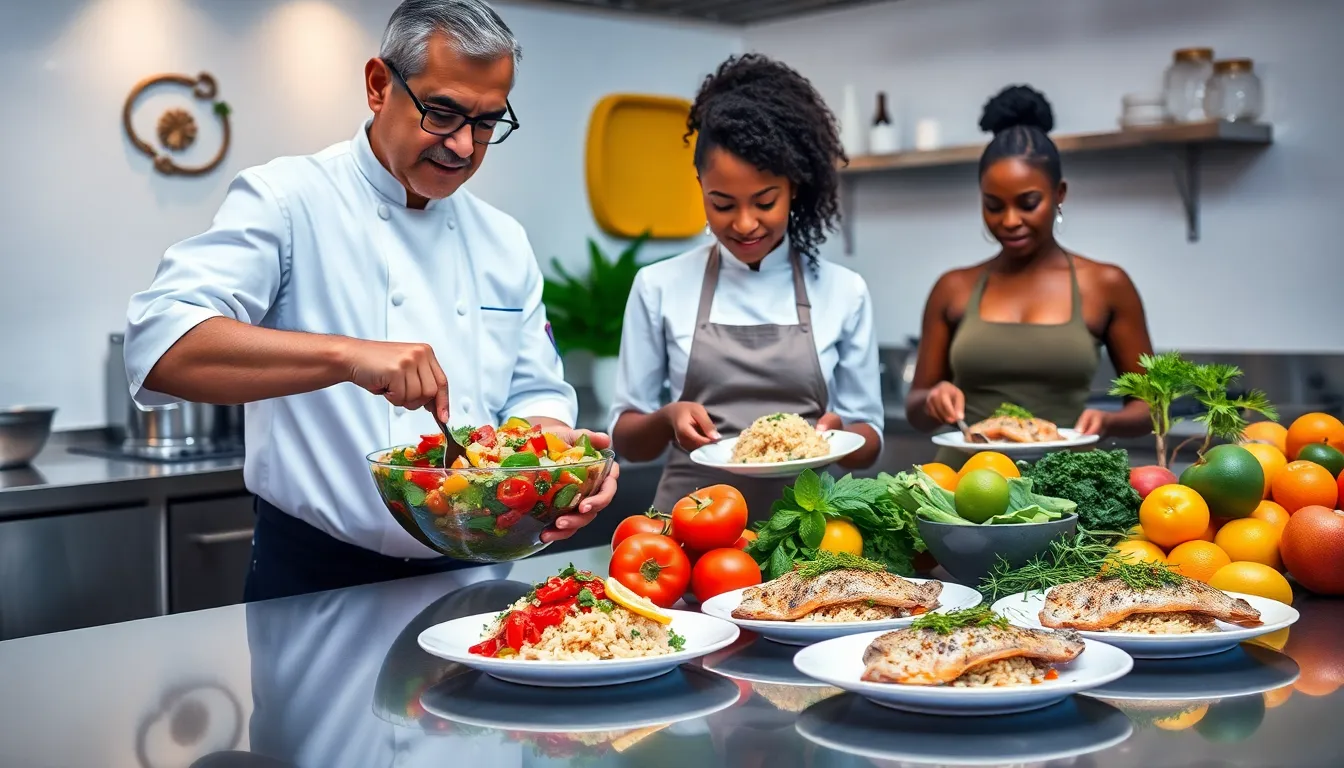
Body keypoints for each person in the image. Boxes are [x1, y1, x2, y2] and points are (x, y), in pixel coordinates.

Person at [123, 0, 617, 601]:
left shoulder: (503, 238)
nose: (463, 146)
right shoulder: (287, 199)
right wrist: (348, 356)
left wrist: (553, 460)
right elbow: (159, 345)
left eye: (486, 123)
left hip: (475, 577)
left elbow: (532, 390)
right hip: (315, 580)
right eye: (442, 113)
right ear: (379, 86)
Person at [610, 54, 883, 520]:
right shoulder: (659, 285)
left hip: (810, 535)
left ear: (794, 187)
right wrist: (666, 419)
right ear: (700, 187)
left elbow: (870, 439)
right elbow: (626, 439)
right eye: (722, 204)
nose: (745, 223)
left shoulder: (843, 290)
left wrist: (840, 436)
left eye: (764, 201)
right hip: (690, 532)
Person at [905, 85, 1156, 465]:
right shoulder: (953, 288)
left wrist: (1110, 421)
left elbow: (1151, 408)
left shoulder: (1105, 285)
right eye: (993, 206)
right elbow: (915, 409)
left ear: (1059, 194)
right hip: (965, 481)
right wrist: (933, 398)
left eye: (1028, 203)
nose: (1009, 221)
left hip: (1065, 481)